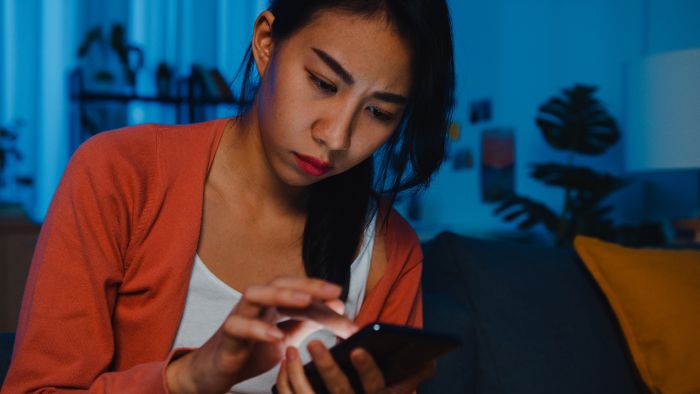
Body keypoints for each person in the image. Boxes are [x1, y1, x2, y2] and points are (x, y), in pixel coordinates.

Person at [1, 0, 454, 392]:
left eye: (378, 112)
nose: (336, 138)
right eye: (322, 83)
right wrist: (188, 380)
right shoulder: (120, 176)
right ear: (266, 42)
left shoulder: (390, 252)